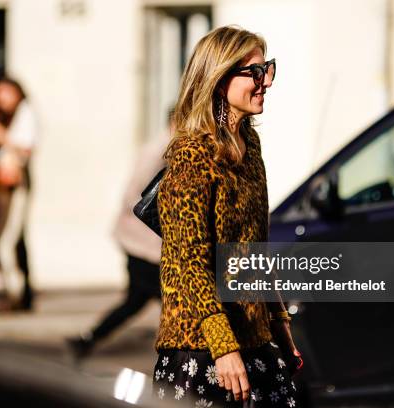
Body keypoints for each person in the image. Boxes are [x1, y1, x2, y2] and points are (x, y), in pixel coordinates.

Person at [152, 26, 302, 407]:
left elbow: (256, 251)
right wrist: (223, 348)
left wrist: (280, 326)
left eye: (266, 69)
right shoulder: (191, 155)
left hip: (252, 339)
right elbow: (190, 261)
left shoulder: (250, 146)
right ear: (219, 81)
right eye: (253, 72)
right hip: (200, 347)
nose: (264, 81)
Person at [66, 113, 173, 358]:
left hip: (146, 244)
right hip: (142, 243)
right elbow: (133, 195)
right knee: (174, 300)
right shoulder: (158, 150)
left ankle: (87, 340)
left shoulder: (169, 148)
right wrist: (167, 223)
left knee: (136, 300)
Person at [0, 77, 38, 312]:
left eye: (4, 93)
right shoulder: (9, 117)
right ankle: (20, 294)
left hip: (16, 185)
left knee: (7, 242)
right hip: (3, 187)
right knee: (11, 242)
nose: (1, 100)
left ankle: (17, 294)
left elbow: (25, 149)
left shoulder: (26, 113)